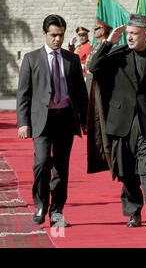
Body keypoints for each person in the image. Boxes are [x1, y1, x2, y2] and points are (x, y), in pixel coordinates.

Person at [88, 14, 146, 229]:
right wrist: (109, 42)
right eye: (127, 34)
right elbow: (94, 67)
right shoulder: (117, 55)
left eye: (134, 34)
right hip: (121, 122)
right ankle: (133, 212)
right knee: (126, 169)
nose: (129, 38)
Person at [16, 14, 88, 227]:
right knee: (41, 163)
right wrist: (23, 122)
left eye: (61, 35)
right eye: (54, 35)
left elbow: (81, 93)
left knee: (61, 168)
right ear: (44, 34)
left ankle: (57, 211)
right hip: (42, 121)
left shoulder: (71, 59)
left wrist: (84, 120)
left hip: (65, 118)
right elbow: (24, 93)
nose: (58, 39)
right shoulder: (31, 59)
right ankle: (40, 205)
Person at [85, 18, 112, 96]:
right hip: (91, 77)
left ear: (103, 31)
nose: (94, 31)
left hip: (98, 79)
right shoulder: (98, 44)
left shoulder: (105, 46)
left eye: (96, 29)